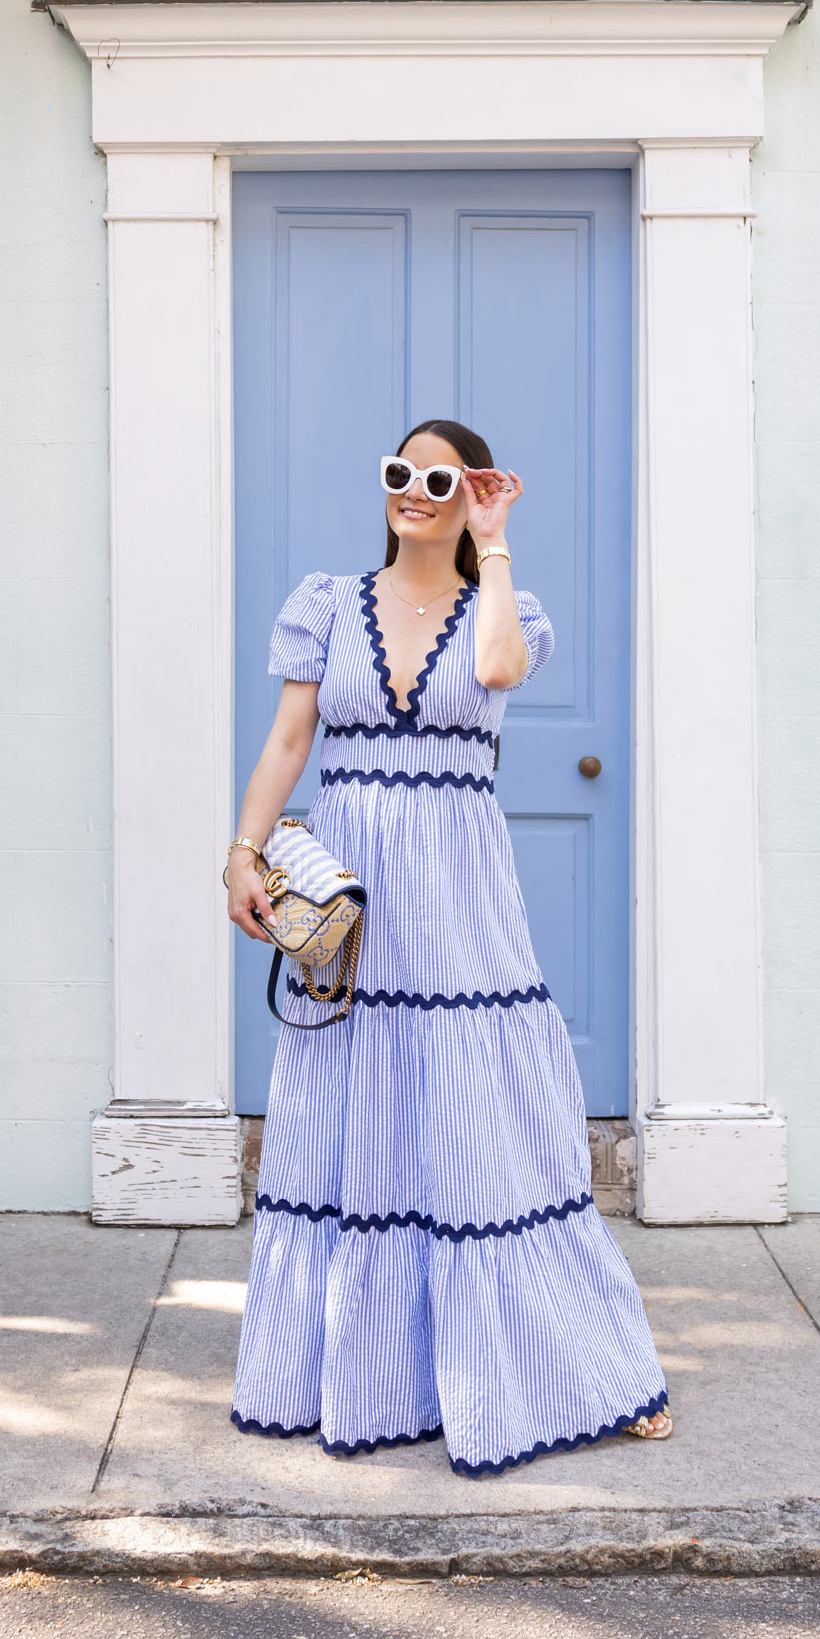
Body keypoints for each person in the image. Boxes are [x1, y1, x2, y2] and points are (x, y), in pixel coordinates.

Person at [225, 418, 670, 1476]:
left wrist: (496, 534)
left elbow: (503, 669)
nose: (411, 492)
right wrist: (242, 852)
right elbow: (291, 741)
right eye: (398, 473)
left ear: (466, 490)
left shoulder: (500, 609)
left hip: (459, 897)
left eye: (436, 478)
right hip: (356, 891)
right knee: (351, 1115)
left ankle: (577, 1366)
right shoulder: (326, 605)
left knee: (487, 1128)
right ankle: (369, 1380)